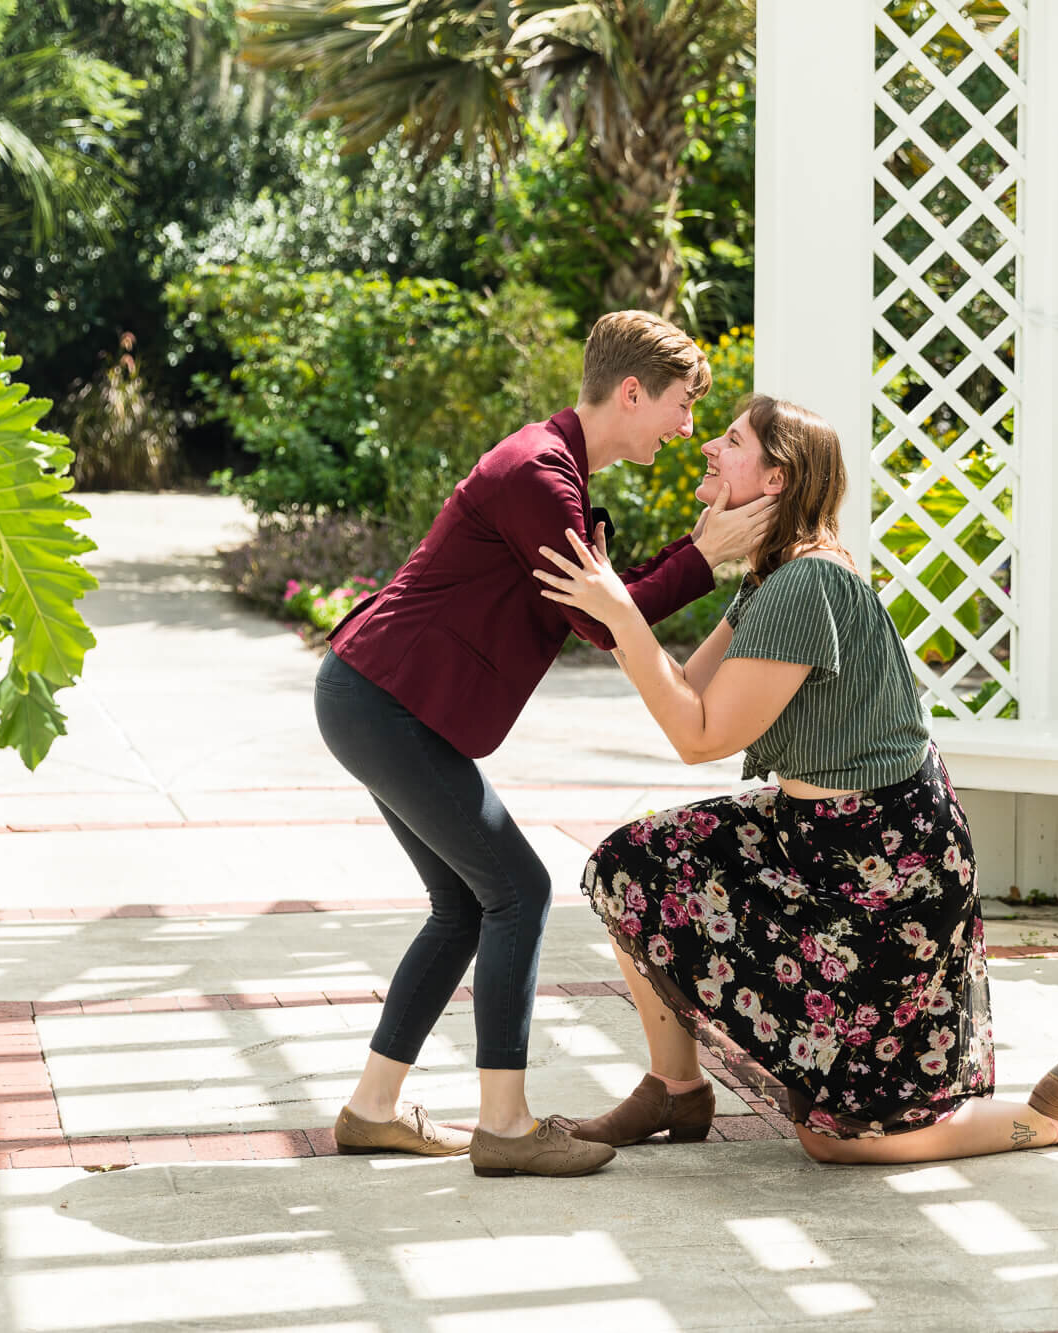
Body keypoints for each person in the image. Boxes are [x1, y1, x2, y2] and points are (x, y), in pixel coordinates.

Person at [530, 395, 1058, 1163]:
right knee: (634, 863)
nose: (710, 447)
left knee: (839, 1141)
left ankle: (1050, 1119)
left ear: (777, 478)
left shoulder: (805, 587)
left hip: (892, 866)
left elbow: (698, 736)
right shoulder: (772, 578)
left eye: (733, 441)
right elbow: (684, 688)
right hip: (809, 835)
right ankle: (675, 1089)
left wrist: (621, 615)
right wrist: (617, 611)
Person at [315, 311, 776, 1179]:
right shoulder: (538, 474)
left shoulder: (552, 469)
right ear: (631, 392)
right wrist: (705, 554)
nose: (688, 429)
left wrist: (684, 560)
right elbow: (610, 622)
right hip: (384, 702)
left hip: (375, 695)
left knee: (464, 905)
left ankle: (372, 1109)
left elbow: (599, 608)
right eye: (680, 407)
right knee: (519, 890)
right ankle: (507, 1125)